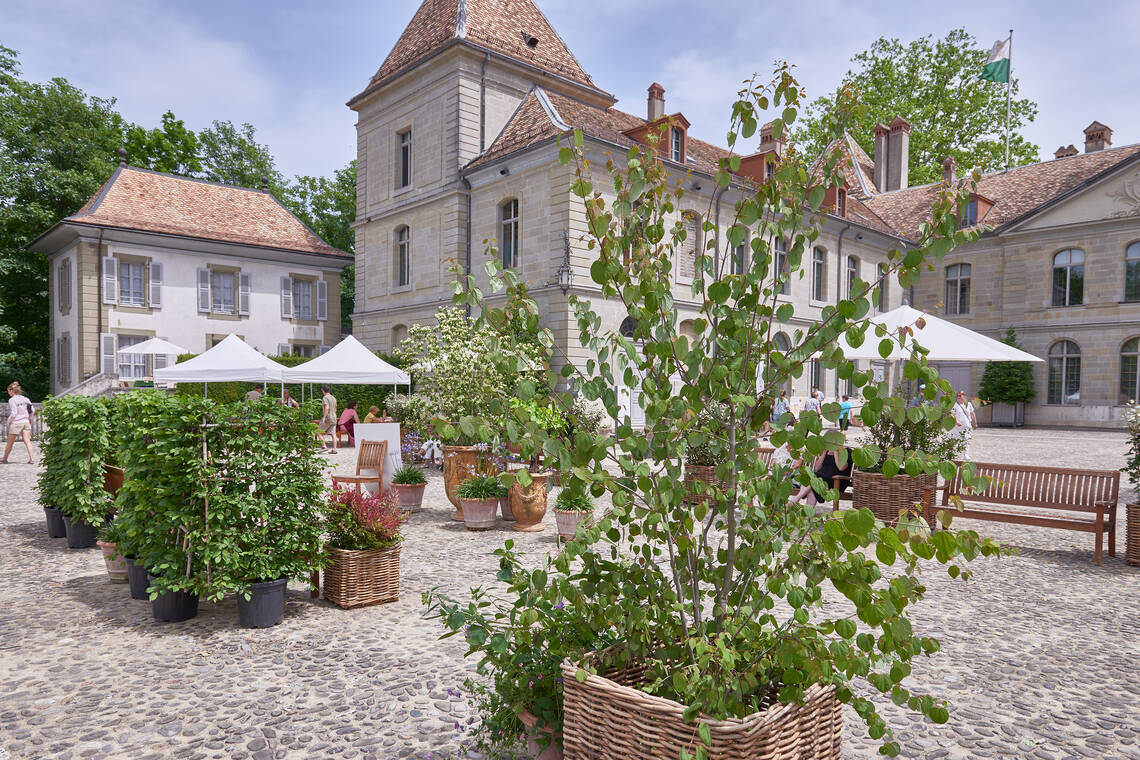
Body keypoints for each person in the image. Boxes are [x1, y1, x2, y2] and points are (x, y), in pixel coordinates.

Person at [790, 434, 852, 507]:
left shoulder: (847, 451)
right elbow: (816, 468)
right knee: (813, 486)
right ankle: (808, 517)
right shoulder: (827, 451)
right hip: (821, 479)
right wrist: (824, 453)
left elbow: (841, 467)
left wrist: (836, 452)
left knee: (813, 479)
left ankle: (795, 499)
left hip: (836, 481)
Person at [1, 381, 35, 464]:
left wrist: (9, 421)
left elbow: (14, 413)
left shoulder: (12, 400)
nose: (8, 393)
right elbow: (32, 410)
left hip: (16, 423)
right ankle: (32, 459)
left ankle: (4, 458)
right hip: (26, 422)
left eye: (8, 391)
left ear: (11, 390)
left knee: (10, 442)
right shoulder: (26, 399)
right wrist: (29, 419)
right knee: (27, 441)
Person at [952, 391, 978, 459]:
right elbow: (952, 414)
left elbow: (972, 414)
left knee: (967, 440)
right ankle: (951, 453)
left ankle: (965, 454)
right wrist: (956, 421)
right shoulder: (955, 405)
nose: (958, 397)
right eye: (958, 395)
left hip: (967, 426)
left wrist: (975, 423)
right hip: (957, 426)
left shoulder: (968, 404)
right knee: (955, 440)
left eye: (960, 395)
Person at [319, 385, 337, 452]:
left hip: (328, 417)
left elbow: (327, 407)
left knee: (318, 431)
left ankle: (324, 446)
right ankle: (334, 449)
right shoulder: (333, 398)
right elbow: (335, 409)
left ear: (323, 390)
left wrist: (324, 417)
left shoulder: (325, 398)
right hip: (334, 418)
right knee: (333, 434)